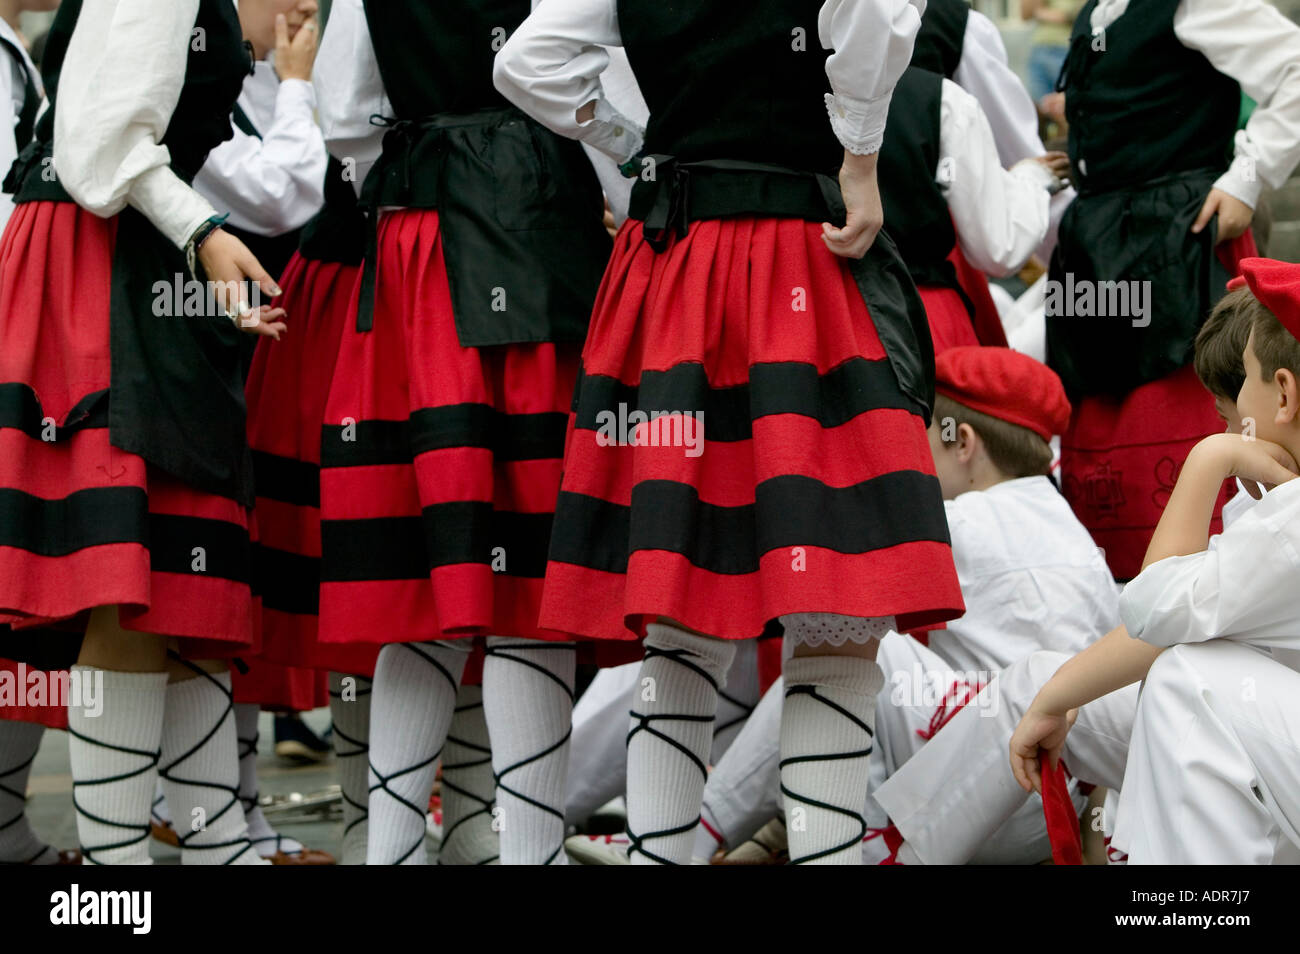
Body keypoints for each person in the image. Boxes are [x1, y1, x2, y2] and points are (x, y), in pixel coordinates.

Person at [496, 0, 965, 865]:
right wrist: (860, 156)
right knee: (834, 607)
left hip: (675, 267)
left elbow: (527, 63)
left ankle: (659, 856)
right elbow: (875, 12)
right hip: (799, 256)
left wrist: (634, 144)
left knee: (683, 605)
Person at [314, 0, 615, 865]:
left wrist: (417, 168)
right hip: (536, 223)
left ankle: (395, 851)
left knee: (419, 581)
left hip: (419, 239)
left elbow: (344, 114)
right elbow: (590, 86)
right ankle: (533, 853)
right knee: (526, 583)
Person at [0, 0, 286, 865]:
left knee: (178, 580)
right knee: (129, 581)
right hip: (102, 260)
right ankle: (114, 882)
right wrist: (201, 231)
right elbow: (98, 141)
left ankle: (212, 846)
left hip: (130, 256)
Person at [686, 347, 1118, 866]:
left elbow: (818, 561)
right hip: (1050, 809)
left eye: (926, 435)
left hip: (980, 795)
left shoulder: (963, 522)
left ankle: (728, 830)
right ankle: (737, 828)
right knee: (856, 650)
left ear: (965, 444)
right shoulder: (1072, 532)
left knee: (848, 639)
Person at [1049, 0, 1300, 580]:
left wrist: (1246, 177)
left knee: (1183, 423)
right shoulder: (1098, 11)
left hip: (1178, 245)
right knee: (1103, 459)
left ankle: (1201, 615)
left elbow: (1291, 67)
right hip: (1100, 249)